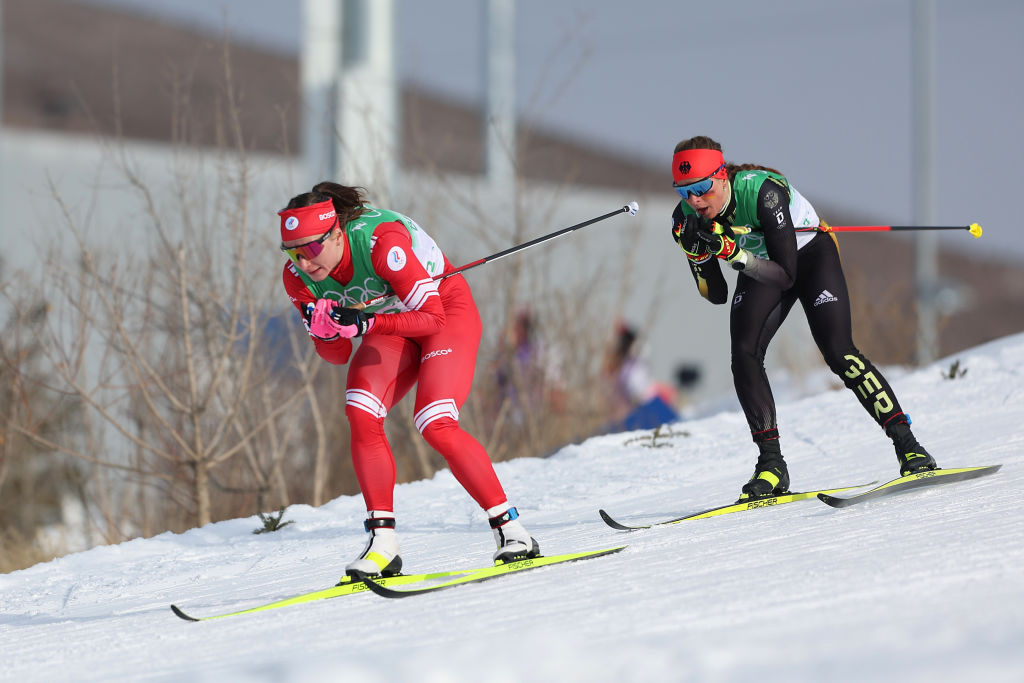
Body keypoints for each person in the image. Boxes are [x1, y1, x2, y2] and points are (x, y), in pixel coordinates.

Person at [278, 181, 539, 577]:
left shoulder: (382, 244)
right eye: (294, 253)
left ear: (335, 234)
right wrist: (325, 332)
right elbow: (336, 357)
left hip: (443, 311)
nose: (304, 262)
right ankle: (383, 544)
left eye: (311, 248)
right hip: (391, 324)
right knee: (360, 411)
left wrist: (365, 320)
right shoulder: (299, 278)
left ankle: (511, 530)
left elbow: (432, 318)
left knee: (435, 422)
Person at [668, 136, 937, 501]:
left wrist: (730, 250)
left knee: (839, 352)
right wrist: (698, 255)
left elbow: (786, 275)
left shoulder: (763, 194)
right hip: (759, 264)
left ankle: (908, 445)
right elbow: (715, 294)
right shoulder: (686, 217)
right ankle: (771, 466)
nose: (695, 201)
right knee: (743, 354)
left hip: (807, 256)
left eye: (702, 188)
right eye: (684, 192)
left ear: (722, 175)